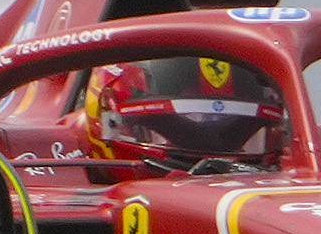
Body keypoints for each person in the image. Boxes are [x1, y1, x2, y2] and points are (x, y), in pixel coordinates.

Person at [70, 54, 291, 170]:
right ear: (110, 123)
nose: (212, 165)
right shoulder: (62, 162)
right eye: (192, 117)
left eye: (230, 121)